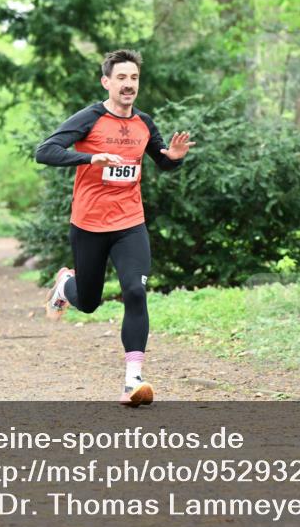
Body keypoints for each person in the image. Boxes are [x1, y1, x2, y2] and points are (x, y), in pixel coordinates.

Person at [35, 49, 195, 407]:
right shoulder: (89, 119)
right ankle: (65, 284)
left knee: (135, 293)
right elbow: (45, 151)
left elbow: (161, 161)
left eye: (134, 78)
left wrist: (174, 158)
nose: (128, 85)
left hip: (129, 223)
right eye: (121, 78)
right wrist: (90, 157)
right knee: (89, 302)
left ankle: (132, 380)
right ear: (106, 82)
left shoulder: (143, 123)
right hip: (89, 224)